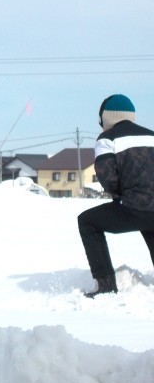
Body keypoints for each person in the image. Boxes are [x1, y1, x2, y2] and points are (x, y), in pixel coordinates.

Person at [78, 94, 154, 298]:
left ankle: (105, 285)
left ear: (106, 118)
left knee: (87, 222)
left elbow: (108, 177)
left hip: (133, 207)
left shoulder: (107, 138)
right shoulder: (152, 135)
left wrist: (121, 195)